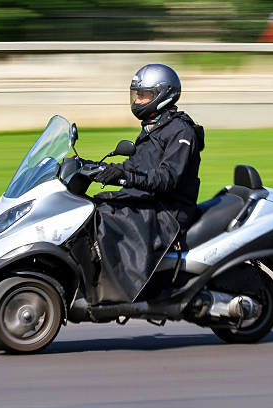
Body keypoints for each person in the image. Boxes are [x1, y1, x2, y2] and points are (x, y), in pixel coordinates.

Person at [87, 63, 205, 305]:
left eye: (144, 96)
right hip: (149, 202)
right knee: (89, 208)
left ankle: (122, 290)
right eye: (137, 95)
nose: (138, 101)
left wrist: (122, 177)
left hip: (169, 211)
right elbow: (135, 168)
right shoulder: (153, 128)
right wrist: (92, 167)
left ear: (163, 95)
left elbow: (166, 179)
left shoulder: (181, 132)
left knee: (102, 217)